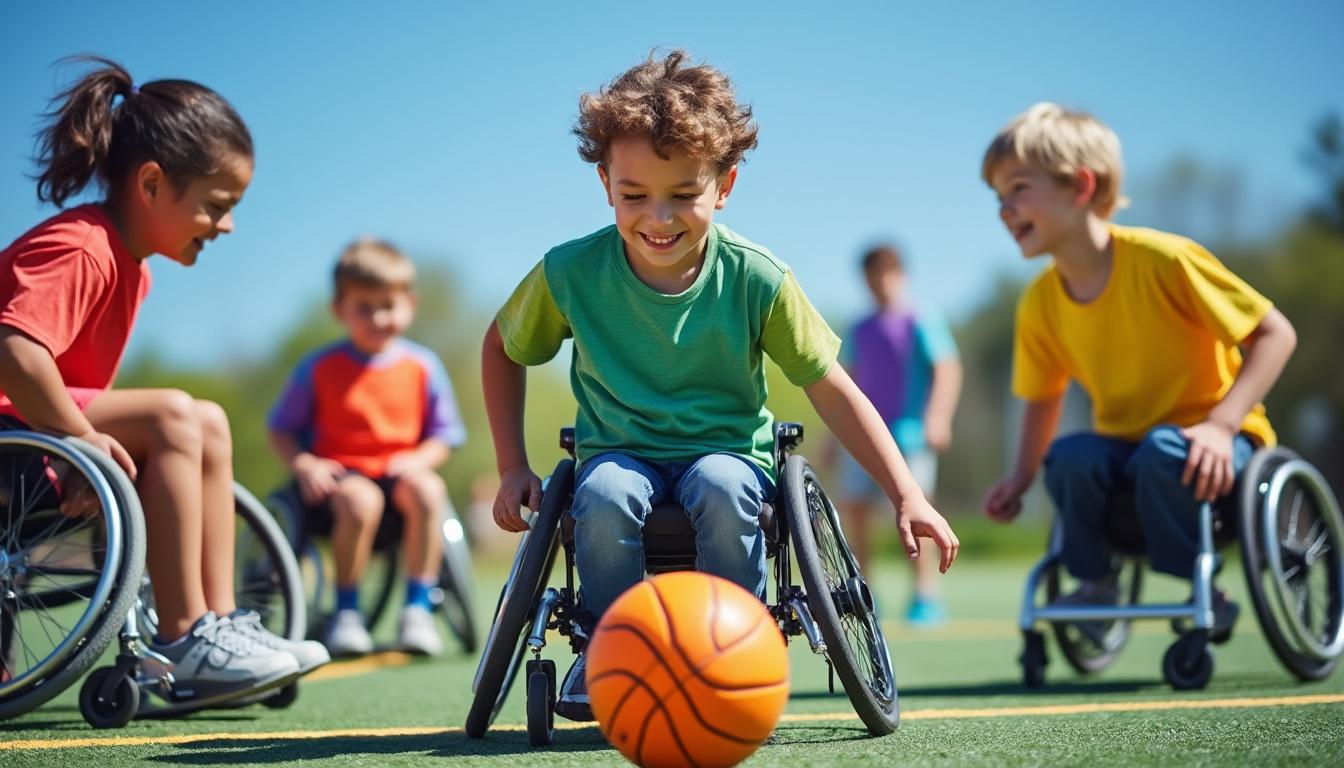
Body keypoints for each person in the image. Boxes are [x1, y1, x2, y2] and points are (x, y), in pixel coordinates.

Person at [482, 51, 959, 722]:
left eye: (684, 194)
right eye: (635, 195)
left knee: (721, 485)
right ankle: (608, 648)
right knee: (605, 491)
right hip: (619, 450)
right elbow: (502, 347)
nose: (659, 218)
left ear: (725, 185)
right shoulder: (572, 271)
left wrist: (907, 492)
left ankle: (735, 647)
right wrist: (511, 466)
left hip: (729, 453)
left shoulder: (758, 278)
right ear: (604, 184)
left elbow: (833, 390)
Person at [0, 57, 328, 704]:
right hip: (17, 441)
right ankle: (185, 641)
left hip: (33, 443)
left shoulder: (132, 269)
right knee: (176, 414)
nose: (227, 225)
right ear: (151, 184)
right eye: (216, 206)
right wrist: (78, 439)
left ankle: (219, 626)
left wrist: (78, 442)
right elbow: (13, 352)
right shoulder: (81, 246)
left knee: (203, 419)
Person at [980, 103, 1297, 637]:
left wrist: (1222, 426)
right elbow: (1041, 400)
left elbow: (1276, 335)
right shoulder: (1038, 304)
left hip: (1222, 441)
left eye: (1017, 189)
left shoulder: (1165, 261)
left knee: (1164, 450)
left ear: (1080, 186)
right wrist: (1021, 477)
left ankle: (1204, 589)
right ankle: (1095, 584)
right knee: (1071, 458)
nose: (1003, 210)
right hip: (1128, 447)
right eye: (997, 197)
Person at [269, 238, 467, 656]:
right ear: (339, 310)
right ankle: (346, 612)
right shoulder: (319, 367)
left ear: (409, 305)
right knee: (360, 500)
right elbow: (282, 430)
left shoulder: (422, 366)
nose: (379, 317)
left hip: (399, 478)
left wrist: (418, 459)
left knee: (429, 489)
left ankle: (416, 612)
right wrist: (304, 464)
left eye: (388, 305)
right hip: (338, 486)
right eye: (364, 307)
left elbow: (444, 436)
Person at [835, 243, 961, 627]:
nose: (880, 282)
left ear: (901, 274)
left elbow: (947, 369)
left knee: (915, 517)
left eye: (887, 273)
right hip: (864, 439)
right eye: (873, 275)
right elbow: (847, 383)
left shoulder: (921, 319)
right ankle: (866, 590)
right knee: (854, 510)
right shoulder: (859, 328)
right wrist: (832, 437)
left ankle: (925, 594)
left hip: (910, 437)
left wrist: (938, 417)